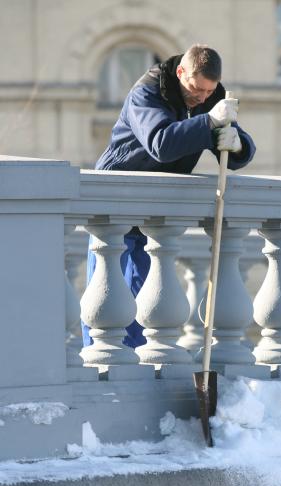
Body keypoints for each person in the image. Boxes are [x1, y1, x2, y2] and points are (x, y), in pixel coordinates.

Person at [83, 44, 256, 348]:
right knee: (105, 295)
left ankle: (138, 363)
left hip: (154, 210)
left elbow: (233, 152)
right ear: (180, 72)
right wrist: (209, 123)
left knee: (144, 296)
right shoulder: (147, 93)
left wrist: (237, 144)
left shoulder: (211, 99)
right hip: (114, 200)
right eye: (196, 88)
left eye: (208, 91)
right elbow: (160, 144)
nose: (202, 97)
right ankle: (98, 366)